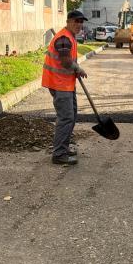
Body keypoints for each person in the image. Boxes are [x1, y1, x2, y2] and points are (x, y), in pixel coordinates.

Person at [42, 10, 89, 166]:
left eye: (81, 22)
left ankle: (64, 147)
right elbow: (65, 61)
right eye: (76, 21)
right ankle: (59, 154)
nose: (79, 25)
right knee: (66, 118)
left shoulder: (69, 37)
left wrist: (74, 70)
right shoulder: (64, 38)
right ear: (69, 21)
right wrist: (78, 68)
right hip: (59, 84)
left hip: (66, 83)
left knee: (71, 116)